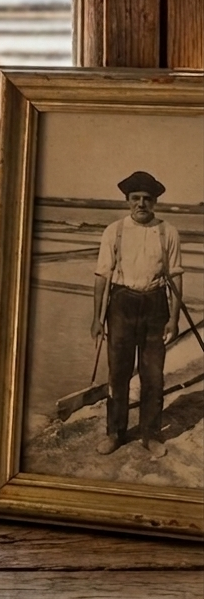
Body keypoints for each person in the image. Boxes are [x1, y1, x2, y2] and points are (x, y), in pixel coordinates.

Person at [91, 170, 182, 458]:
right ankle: (115, 433)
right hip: (121, 305)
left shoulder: (168, 232)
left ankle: (150, 435)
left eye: (147, 199)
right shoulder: (113, 231)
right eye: (135, 199)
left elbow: (176, 278)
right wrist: (96, 318)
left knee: (153, 375)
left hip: (156, 305)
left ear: (155, 202)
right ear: (128, 201)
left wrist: (175, 319)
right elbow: (101, 277)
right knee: (118, 374)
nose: (141, 204)